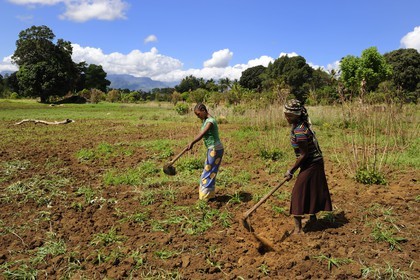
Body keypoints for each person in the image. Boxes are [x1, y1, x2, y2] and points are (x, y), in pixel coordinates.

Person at [283, 99, 332, 234]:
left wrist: (291, 171)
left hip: (312, 163)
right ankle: (313, 219)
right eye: (286, 114)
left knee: (298, 193)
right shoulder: (299, 125)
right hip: (314, 162)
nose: (287, 118)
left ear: (296, 115)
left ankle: (298, 230)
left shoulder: (300, 130)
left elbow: (304, 155)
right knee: (312, 190)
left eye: (289, 115)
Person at [186, 103, 224, 201]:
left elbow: (202, 134)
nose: (198, 117)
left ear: (203, 110)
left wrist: (192, 142)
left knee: (208, 171)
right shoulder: (206, 120)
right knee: (210, 171)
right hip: (212, 149)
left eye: (198, 114)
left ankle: (205, 196)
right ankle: (209, 195)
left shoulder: (210, 121)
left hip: (215, 149)